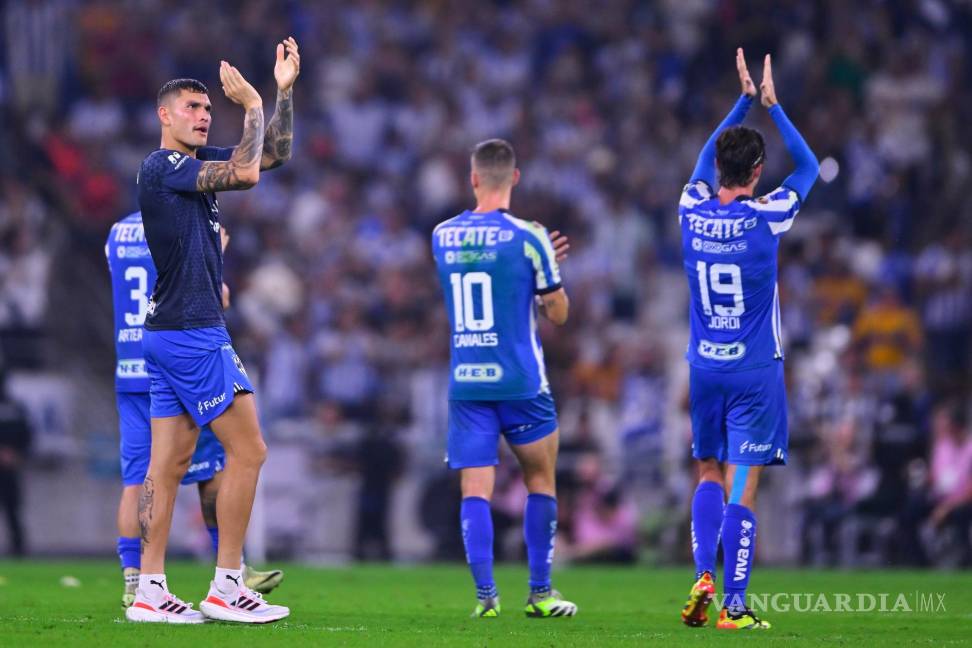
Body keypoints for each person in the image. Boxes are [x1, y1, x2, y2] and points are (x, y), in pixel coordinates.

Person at [126, 38, 299, 624]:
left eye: (207, 108)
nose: (203, 116)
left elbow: (271, 156)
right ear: (164, 115)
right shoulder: (164, 166)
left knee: (167, 467)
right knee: (249, 449)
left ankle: (150, 589)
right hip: (193, 332)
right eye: (192, 108)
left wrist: (282, 93)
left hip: (167, 330)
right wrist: (250, 104)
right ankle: (228, 584)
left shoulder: (190, 166)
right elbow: (246, 175)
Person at [678, 49, 818, 630]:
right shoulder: (768, 216)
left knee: (707, 471)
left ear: (718, 165)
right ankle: (734, 606)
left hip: (704, 367)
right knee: (744, 482)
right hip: (755, 370)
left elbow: (700, 161)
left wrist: (740, 104)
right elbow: (808, 167)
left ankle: (702, 575)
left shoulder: (690, 210)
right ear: (758, 173)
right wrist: (772, 106)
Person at [431, 138, 576, 618]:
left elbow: (482, 279)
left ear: (473, 178)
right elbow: (558, 313)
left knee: (475, 489)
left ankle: (486, 598)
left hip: (468, 380)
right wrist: (544, 270)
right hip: (521, 380)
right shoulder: (530, 236)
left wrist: (528, 271)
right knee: (540, 480)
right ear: (514, 177)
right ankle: (540, 593)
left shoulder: (442, 235)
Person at [107, 212, 283, 608]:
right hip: (178, 359)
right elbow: (213, 296)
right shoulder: (179, 224)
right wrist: (215, 251)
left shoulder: (117, 233)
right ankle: (234, 569)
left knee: (138, 477)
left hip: (130, 365)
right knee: (218, 466)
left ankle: (135, 580)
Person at [0, 369, 31, 557]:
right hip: (10, 465)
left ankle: (18, 548)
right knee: (13, 509)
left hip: (10, 467)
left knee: (12, 509)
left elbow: (27, 435)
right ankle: (18, 548)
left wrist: (17, 454)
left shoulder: (16, 408)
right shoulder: (16, 408)